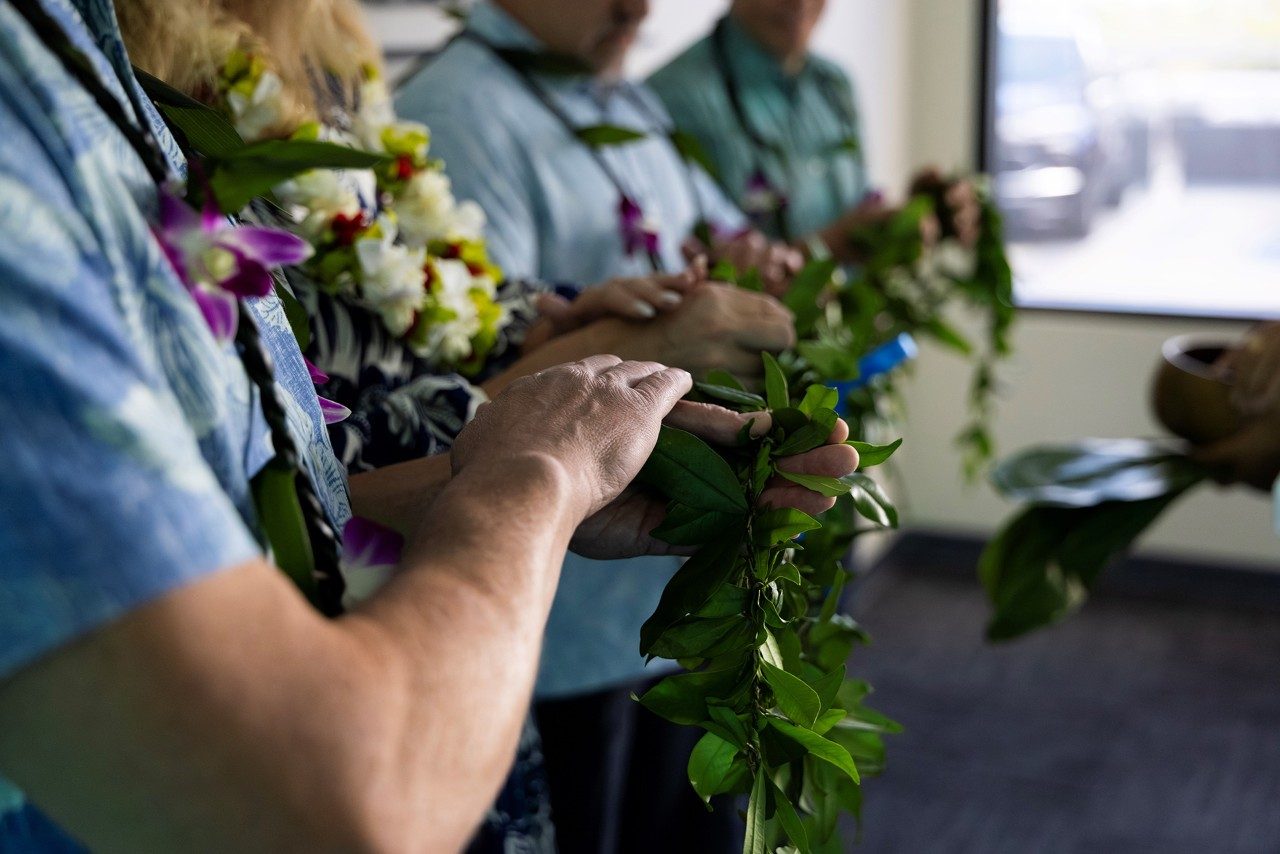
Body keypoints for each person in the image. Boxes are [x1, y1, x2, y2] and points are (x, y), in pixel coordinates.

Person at [0, 1, 859, 850]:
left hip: (446, 625)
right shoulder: (44, 99)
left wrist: (477, 483)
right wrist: (535, 472)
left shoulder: (146, 57)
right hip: (410, 679)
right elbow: (340, 804)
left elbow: (273, 486)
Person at [396, 2, 817, 849]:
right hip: (563, 626)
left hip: (665, 582)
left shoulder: (618, 91)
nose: (641, 6)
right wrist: (642, 340)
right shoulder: (454, 113)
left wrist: (745, 265)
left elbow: (708, 230)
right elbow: (453, 402)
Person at [649, 0, 982, 257]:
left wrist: (912, 217)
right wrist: (830, 248)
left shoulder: (834, 86)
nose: (800, 2)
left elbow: (850, 214)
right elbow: (686, 271)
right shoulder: (667, 100)